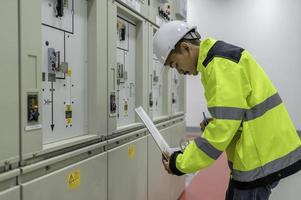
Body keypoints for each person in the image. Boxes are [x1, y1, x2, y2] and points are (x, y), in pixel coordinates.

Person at [153, 21, 301, 200]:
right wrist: (216, 121)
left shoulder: (220, 65)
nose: (179, 71)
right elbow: (236, 115)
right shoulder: (215, 60)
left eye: (175, 64)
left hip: (260, 161)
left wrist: (180, 163)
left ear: (186, 48)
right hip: (256, 156)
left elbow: (223, 129)